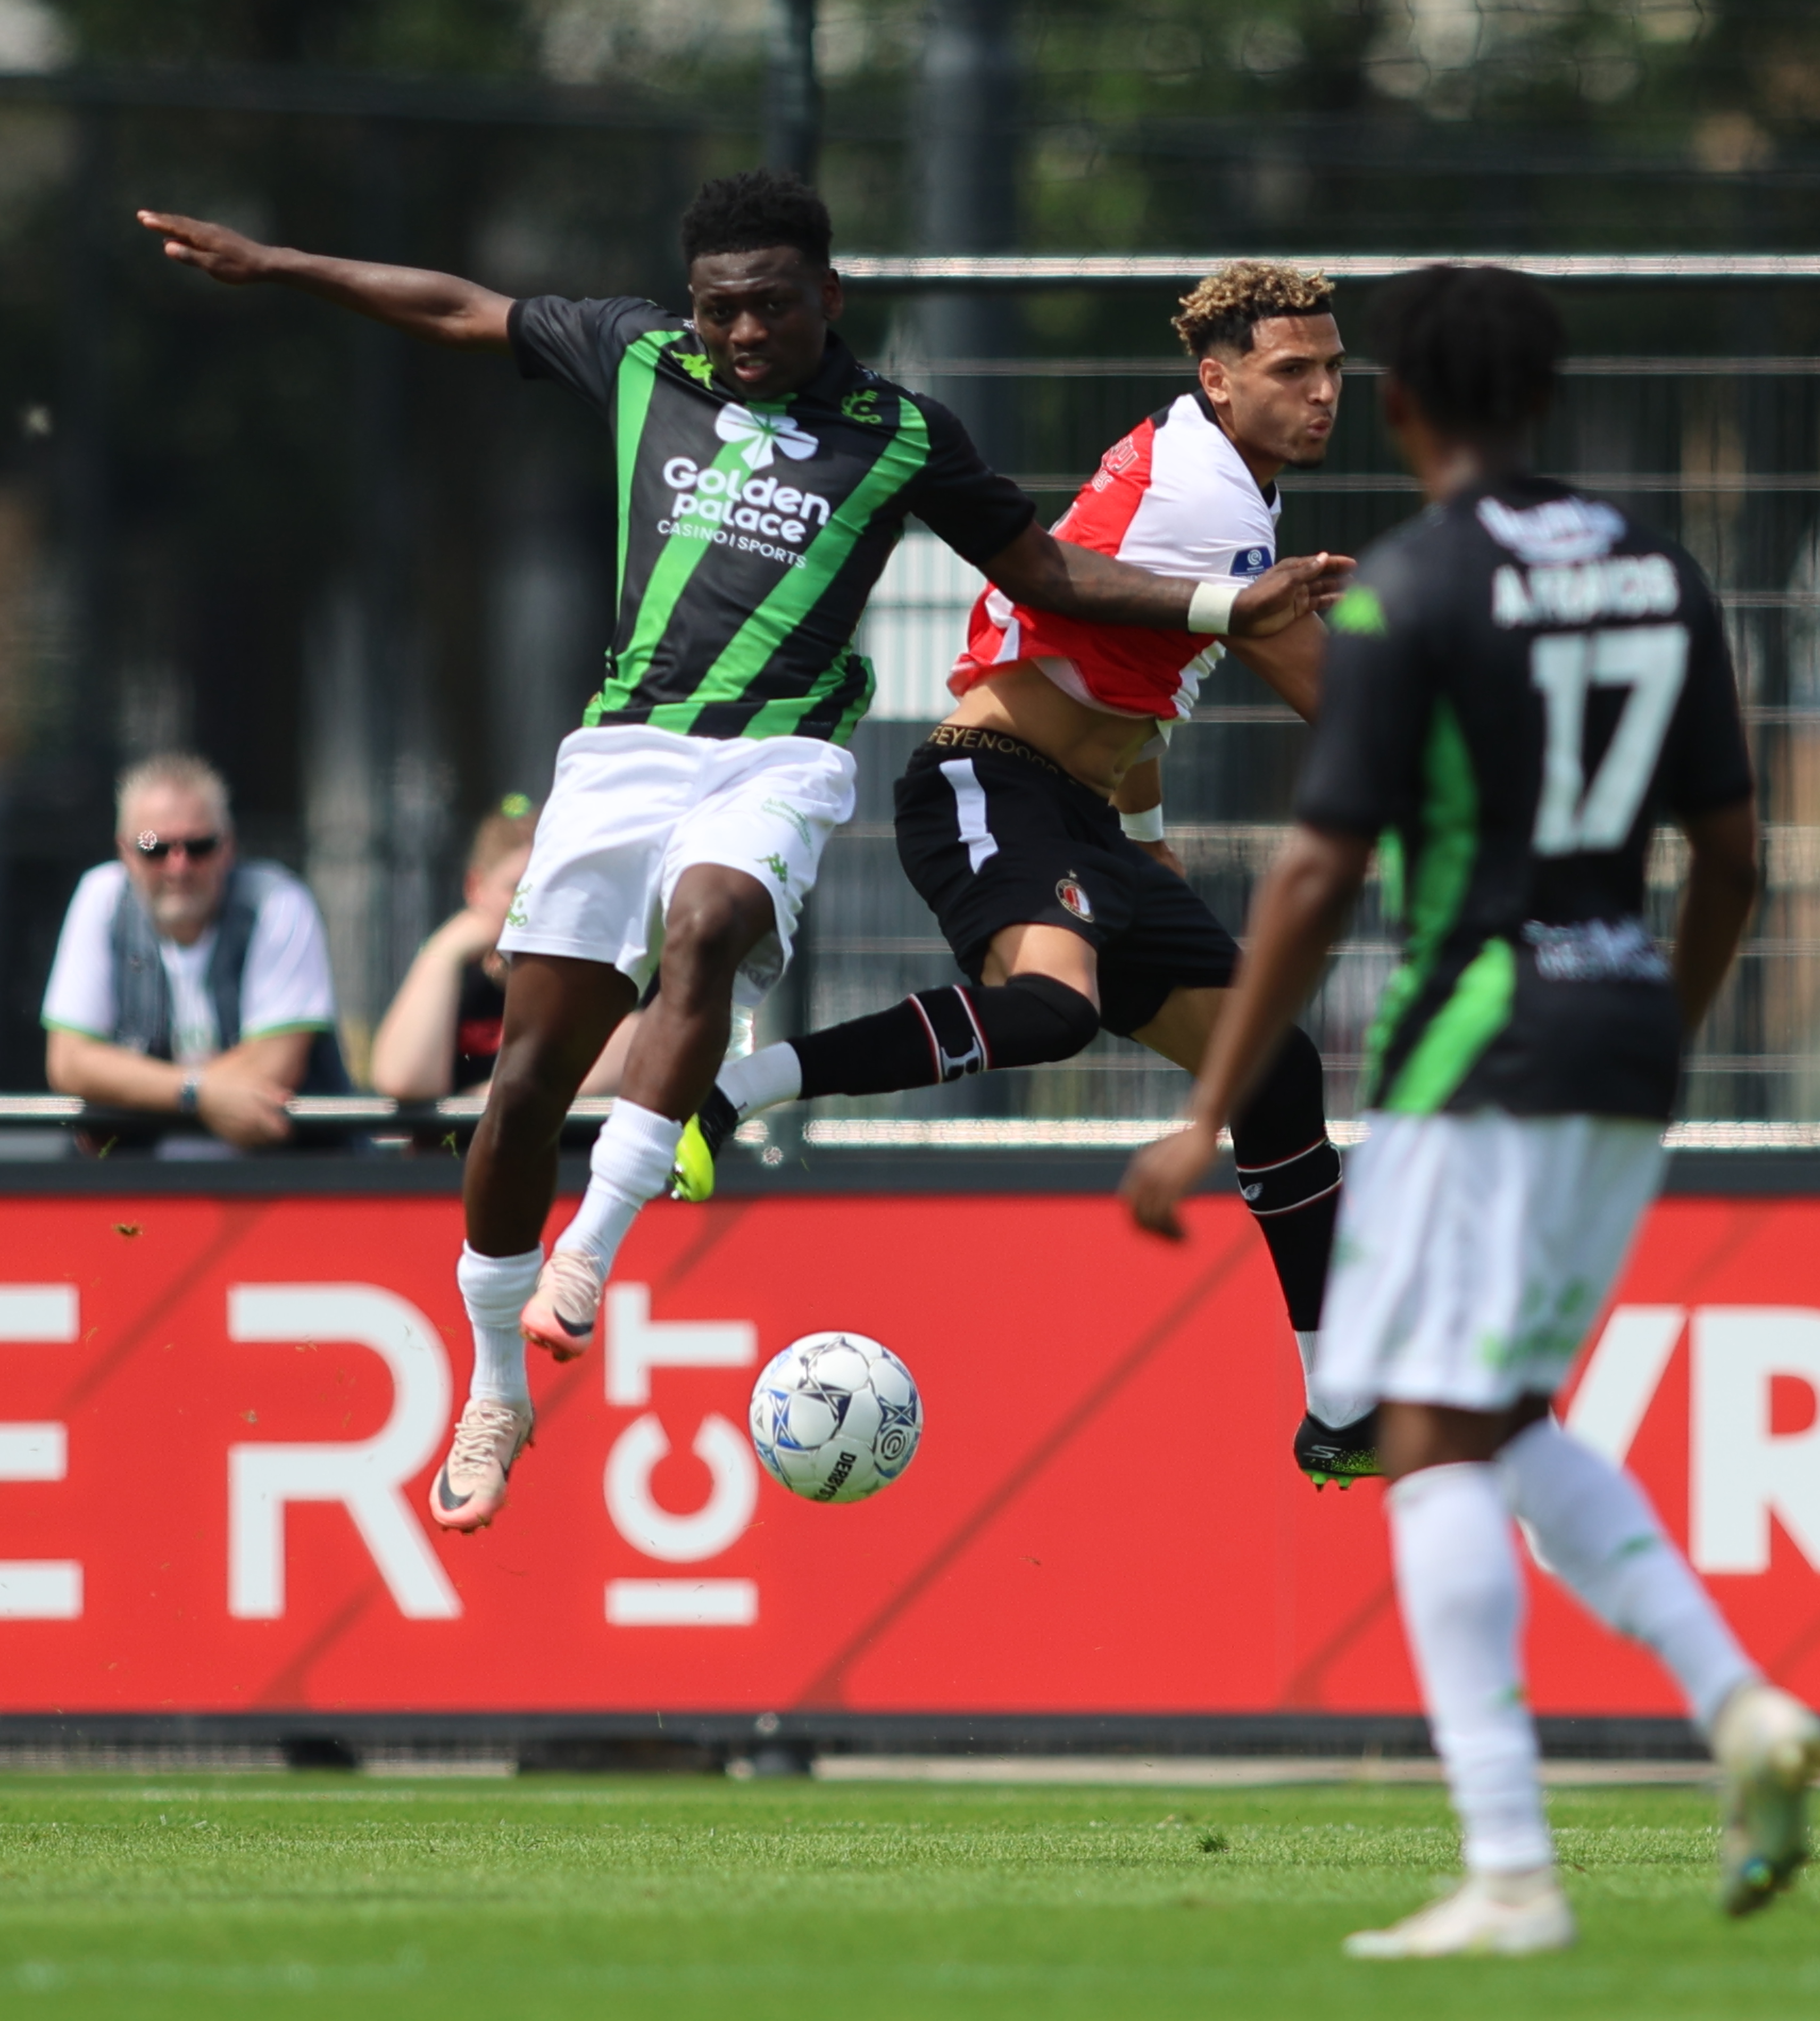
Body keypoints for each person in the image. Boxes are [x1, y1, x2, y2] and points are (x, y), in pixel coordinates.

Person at [137, 170, 1346, 1533]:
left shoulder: (900, 432)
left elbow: (1049, 577)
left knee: (713, 923)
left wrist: (1222, 609)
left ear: (828, 298)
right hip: (622, 753)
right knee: (528, 1077)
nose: (742, 333)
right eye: (721, 309)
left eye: (771, 306)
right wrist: (281, 261)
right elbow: (463, 308)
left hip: (778, 760)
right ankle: (495, 1383)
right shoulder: (642, 356)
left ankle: (592, 1246)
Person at [1123, 267, 1820, 1957]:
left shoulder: (1417, 587)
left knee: (1413, 1435)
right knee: (1495, 1417)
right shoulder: (1660, 570)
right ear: (1547, 390)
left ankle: (1509, 1869)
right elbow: (1731, 853)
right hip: (1613, 1045)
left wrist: (1204, 1103)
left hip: (1475, 1046)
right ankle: (1736, 1704)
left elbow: (1314, 868)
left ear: (1401, 410)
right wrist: (1666, 1022)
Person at [539, 260, 1377, 1483]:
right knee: (1050, 1010)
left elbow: (1130, 673)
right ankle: (733, 1087)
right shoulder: (1209, 496)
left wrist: (1141, 829)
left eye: (1334, 370)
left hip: (1079, 813)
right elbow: (1336, 711)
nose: (1321, 394)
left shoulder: (1210, 471)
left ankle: (1340, 1405)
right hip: (988, 783)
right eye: (1291, 371)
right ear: (1219, 379)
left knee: (1277, 1068)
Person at [41, 753, 345, 1156]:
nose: (178, 866)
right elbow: (69, 1063)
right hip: (139, 1180)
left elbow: (276, 1067)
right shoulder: (102, 897)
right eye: (155, 847)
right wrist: (197, 1093)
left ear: (229, 847)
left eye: (199, 846)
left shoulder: (278, 902)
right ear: (125, 851)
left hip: (279, 1178)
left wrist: (132, 1084)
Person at [373, 797, 627, 1102]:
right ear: (475, 887)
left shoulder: (592, 971)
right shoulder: (454, 975)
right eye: (518, 888)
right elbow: (404, 1080)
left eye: (549, 889)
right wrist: (443, 951)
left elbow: (633, 1047)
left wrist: (492, 1097)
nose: (533, 906)